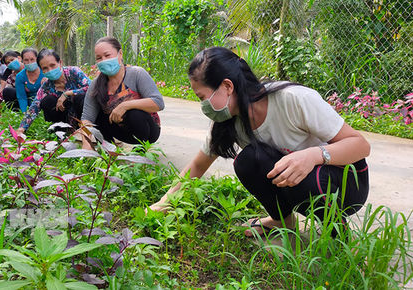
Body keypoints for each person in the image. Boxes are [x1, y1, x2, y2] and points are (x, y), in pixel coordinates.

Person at [150, 47, 370, 237]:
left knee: (297, 168)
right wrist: (164, 202)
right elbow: (198, 165)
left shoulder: (293, 99)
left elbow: (360, 145)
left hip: (347, 181)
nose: (203, 105)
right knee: (248, 160)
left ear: (227, 86)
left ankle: (336, 234)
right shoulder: (229, 122)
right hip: (299, 177)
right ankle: (281, 221)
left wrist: (313, 156)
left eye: (202, 97)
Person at [81, 37, 164, 148]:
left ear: (120, 54)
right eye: (99, 58)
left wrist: (125, 105)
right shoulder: (96, 84)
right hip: (119, 131)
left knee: (134, 113)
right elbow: (87, 117)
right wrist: (86, 143)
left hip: (148, 131)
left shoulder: (136, 73)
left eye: (107, 55)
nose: (104, 60)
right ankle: (109, 148)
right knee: (97, 114)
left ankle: (140, 150)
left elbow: (158, 103)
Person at [17, 49, 90, 134]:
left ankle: (86, 129)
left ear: (60, 63)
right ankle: (61, 130)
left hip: (83, 116)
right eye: (45, 68)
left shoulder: (73, 72)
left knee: (80, 97)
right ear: (42, 70)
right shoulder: (47, 85)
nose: (50, 70)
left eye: (52, 65)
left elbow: (91, 88)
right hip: (65, 120)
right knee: (47, 101)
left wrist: (67, 94)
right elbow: (35, 106)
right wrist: (22, 128)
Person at [15, 48, 45, 112]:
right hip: (30, 104)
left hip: (45, 103)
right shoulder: (20, 76)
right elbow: (22, 97)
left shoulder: (45, 72)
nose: (29, 62)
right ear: (22, 61)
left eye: (32, 59)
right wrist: (24, 112)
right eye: (26, 60)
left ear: (37, 59)